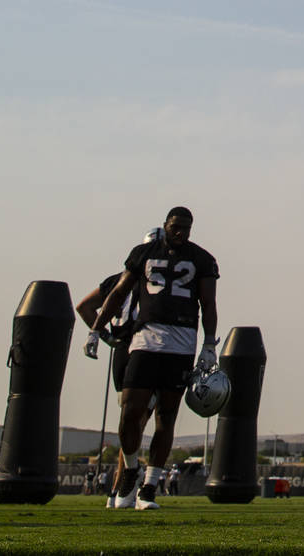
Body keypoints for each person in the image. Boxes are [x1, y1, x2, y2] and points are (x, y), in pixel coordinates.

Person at [91, 206, 219, 511]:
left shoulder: (202, 259)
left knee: (166, 417)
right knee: (130, 412)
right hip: (145, 339)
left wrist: (209, 344)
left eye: (186, 228)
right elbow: (119, 292)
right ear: (165, 225)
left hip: (182, 342)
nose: (181, 232)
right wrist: (96, 329)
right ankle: (131, 468)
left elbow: (208, 303)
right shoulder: (142, 253)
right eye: (176, 226)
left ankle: (148, 488)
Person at [77, 226, 163, 508]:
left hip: (121, 354)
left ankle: (117, 491)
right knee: (139, 423)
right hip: (143, 349)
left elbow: (85, 307)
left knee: (128, 422)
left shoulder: (117, 279)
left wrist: (104, 333)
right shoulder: (154, 281)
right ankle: (131, 485)